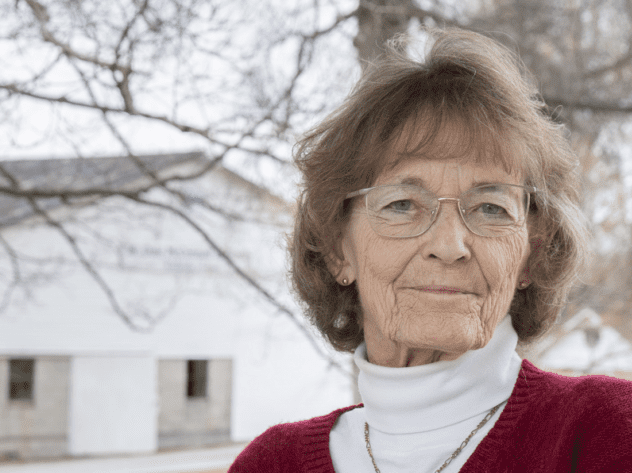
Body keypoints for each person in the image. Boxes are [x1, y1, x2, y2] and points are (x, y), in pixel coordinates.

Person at [229, 27, 632, 472]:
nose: (449, 246)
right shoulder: (271, 464)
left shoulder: (606, 431)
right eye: (402, 205)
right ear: (337, 249)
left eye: (490, 208)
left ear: (531, 254)